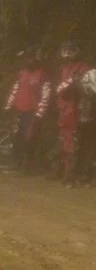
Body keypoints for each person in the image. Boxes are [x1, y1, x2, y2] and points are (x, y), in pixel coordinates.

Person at [4, 46, 51, 173]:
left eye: (31, 58)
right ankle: (17, 163)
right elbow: (15, 89)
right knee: (17, 137)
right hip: (19, 110)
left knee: (30, 138)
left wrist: (40, 113)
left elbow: (46, 96)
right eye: (26, 58)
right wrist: (9, 106)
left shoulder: (43, 75)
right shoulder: (22, 73)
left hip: (33, 113)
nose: (28, 61)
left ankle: (28, 165)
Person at [54, 40, 90, 187]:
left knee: (72, 143)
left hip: (77, 111)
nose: (68, 54)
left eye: (71, 50)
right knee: (64, 141)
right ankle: (63, 171)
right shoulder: (65, 68)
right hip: (64, 110)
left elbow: (85, 90)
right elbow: (61, 89)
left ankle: (71, 176)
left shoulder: (83, 68)